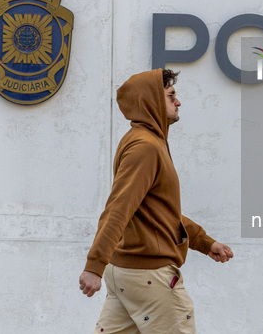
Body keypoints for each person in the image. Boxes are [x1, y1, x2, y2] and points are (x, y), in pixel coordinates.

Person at [79, 68, 233, 333]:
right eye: (171, 95)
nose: (178, 101)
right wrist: (94, 266)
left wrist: (204, 242)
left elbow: (157, 210)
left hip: (128, 274)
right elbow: (118, 208)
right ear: (150, 100)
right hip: (150, 277)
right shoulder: (145, 147)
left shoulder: (145, 142)